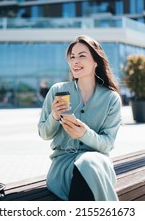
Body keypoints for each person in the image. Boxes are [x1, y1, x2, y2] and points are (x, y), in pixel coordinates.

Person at [38, 35, 122, 201]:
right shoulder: (57, 91)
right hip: (63, 167)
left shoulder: (111, 98)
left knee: (88, 163)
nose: (75, 61)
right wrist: (54, 116)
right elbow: (44, 134)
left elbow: (107, 144)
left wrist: (84, 134)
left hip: (98, 164)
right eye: (72, 57)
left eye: (82, 56)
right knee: (86, 165)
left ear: (96, 61)